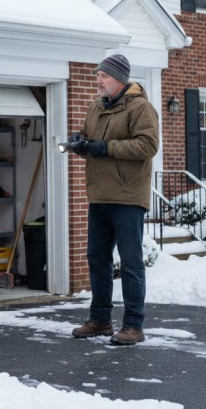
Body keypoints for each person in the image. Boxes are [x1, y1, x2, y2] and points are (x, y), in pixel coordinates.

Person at [68, 53, 159, 346]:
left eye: (103, 76)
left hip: (128, 196)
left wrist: (104, 148)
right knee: (97, 259)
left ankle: (133, 325)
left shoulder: (140, 107)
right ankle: (100, 320)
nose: (98, 80)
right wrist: (79, 142)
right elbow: (90, 138)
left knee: (131, 262)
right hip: (99, 195)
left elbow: (147, 145)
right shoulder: (96, 107)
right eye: (98, 75)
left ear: (119, 79)